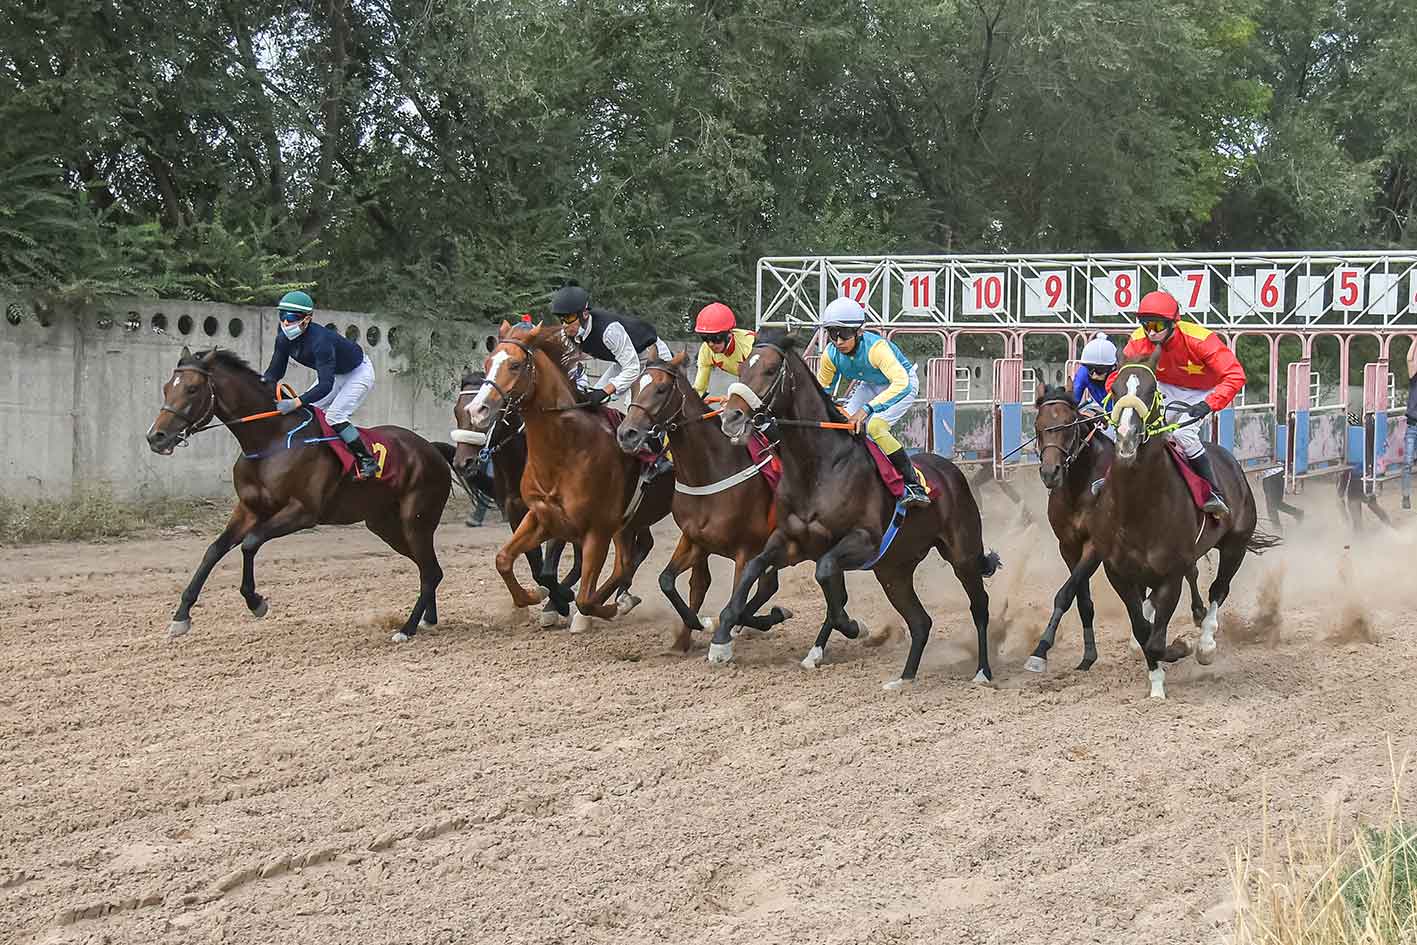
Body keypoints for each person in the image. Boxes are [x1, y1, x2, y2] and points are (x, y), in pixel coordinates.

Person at [1114, 289, 1245, 517]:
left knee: (1183, 434)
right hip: (1164, 387)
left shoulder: (1201, 339)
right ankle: (1111, 479)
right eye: (1145, 325)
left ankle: (1212, 492)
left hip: (1202, 391)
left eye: (1157, 326)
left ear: (1173, 323)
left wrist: (1209, 404)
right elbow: (1119, 378)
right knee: (1131, 426)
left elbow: (1235, 375)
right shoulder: (1138, 340)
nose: (1150, 332)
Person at [816, 297, 930, 508]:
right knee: (844, 426)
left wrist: (867, 409)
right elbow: (822, 394)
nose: (838, 341)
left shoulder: (877, 348)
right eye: (832, 333)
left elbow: (901, 384)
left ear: (859, 331)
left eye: (844, 333)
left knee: (875, 427)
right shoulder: (829, 355)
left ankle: (914, 485)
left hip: (901, 384)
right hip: (870, 385)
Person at [550, 283, 672, 477]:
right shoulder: (568, 334)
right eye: (561, 318)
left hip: (651, 356)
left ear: (584, 314)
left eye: (570, 318)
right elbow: (567, 366)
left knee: (636, 410)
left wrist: (605, 391)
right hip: (624, 361)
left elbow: (632, 368)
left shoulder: (609, 331)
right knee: (589, 405)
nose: (565, 324)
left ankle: (657, 460)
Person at [260, 290, 381, 479]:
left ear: (307, 319)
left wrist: (295, 402)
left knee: (334, 416)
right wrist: (260, 385)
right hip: (335, 373)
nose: (285, 322)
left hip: (358, 372)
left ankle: (367, 461)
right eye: (282, 315)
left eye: (291, 317)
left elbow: (325, 385)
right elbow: (275, 371)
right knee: (308, 414)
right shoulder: (283, 337)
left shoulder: (321, 342)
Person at [691, 302, 756, 396]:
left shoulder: (750, 345)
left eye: (716, 338)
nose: (710, 344)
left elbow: (757, 384)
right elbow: (699, 388)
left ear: (729, 334)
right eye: (705, 338)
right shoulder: (706, 350)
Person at [1072, 332, 1118, 439]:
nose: (1093, 375)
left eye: (1099, 370)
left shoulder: (1120, 374)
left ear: (1113, 367)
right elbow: (1073, 403)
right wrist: (1088, 414)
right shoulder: (1083, 372)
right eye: (1090, 369)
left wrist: (1107, 417)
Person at [1402, 336, 1417, 510]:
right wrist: (1415, 340)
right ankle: (1405, 496)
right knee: (1407, 463)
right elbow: (1409, 359)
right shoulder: (1415, 378)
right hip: (1413, 426)